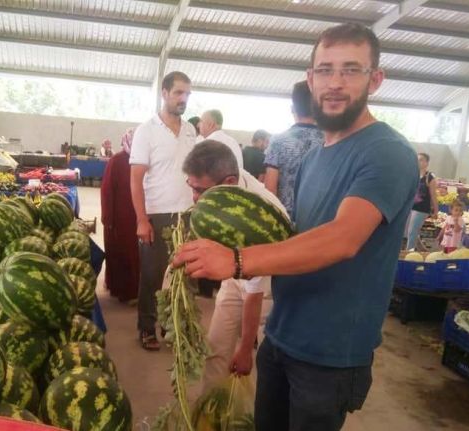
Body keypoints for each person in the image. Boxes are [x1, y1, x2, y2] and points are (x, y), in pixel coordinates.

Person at [173, 23, 418, 431]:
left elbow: (342, 239)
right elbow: (294, 238)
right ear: (310, 78)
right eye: (325, 70)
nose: (335, 83)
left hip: (329, 352)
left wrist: (236, 260)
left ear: (375, 79)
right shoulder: (314, 159)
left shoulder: (387, 154)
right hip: (283, 335)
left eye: (350, 70)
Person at [182, 140, 290, 391]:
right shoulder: (226, 185)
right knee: (216, 348)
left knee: (259, 365)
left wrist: (244, 349)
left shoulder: (260, 214)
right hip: (234, 272)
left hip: (267, 285)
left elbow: (255, 291)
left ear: (229, 183)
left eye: (200, 190)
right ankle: (210, 414)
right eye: (192, 187)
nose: (195, 197)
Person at [129, 71, 196, 351]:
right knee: (153, 275)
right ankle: (147, 327)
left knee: (184, 275)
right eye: (179, 93)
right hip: (157, 215)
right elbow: (135, 178)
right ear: (165, 93)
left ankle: (176, 329)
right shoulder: (147, 130)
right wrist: (142, 220)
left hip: (187, 215)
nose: (184, 99)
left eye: (187, 94)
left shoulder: (192, 131)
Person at [264, 81, 325, 217]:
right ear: (319, 107)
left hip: (285, 219)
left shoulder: (278, 141)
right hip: (319, 221)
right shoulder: (330, 141)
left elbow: (270, 190)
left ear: (293, 108)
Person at [101, 129, 139, 303]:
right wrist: (107, 218)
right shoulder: (117, 160)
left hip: (139, 216)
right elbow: (107, 191)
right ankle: (121, 290)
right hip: (120, 217)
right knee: (120, 252)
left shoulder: (145, 160)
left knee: (137, 254)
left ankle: (136, 290)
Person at [405, 153, 439, 250]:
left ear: (427, 163)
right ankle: (423, 250)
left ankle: (408, 255)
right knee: (409, 232)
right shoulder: (413, 175)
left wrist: (436, 210)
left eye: (421, 160)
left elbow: (433, 195)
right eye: (417, 159)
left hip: (422, 209)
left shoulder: (430, 177)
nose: (418, 162)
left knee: (412, 232)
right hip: (410, 207)